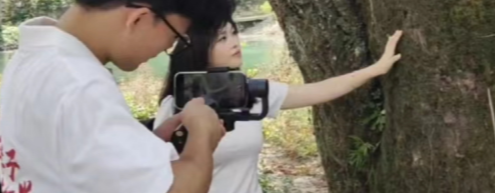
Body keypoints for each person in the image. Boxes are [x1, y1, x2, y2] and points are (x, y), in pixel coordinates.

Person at [0, 0, 237, 193]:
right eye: (176, 36)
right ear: (139, 18)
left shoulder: (31, 56)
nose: (166, 49)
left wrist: (143, 145)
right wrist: (202, 136)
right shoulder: (81, 85)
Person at [154, 21, 403, 193]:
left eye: (234, 33)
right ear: (198, 47)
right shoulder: (175, 108)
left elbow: (316, 91)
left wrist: (376, 69)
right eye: (222, 37)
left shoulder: (252, 93)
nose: (234, 42)